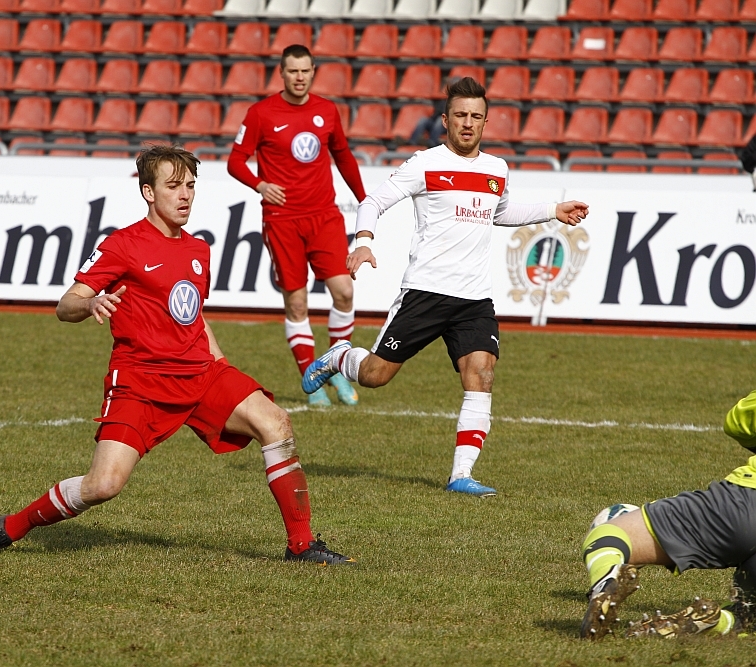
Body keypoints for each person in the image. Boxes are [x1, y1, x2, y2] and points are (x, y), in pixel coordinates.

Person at [0, 145, 354, 566]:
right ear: (148, 192)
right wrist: (91, 303)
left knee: (275, 422)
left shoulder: (199, 250)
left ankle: (301, 545)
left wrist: (221, 365)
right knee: (103, 485)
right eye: (173, 186)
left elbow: (193, 317)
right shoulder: (122, 244)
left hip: (200, 374)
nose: (185, 195)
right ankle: (13, 525)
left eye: (190, 186)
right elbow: (65, 304)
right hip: (141, 382)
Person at [301, 77, 589, 497]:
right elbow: (373, 202)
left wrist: (552, 210)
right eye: (460, 115)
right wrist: (363, 241)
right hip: (426, 291)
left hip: (474, 298)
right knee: (376, 376)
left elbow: (499, 212)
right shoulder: (424, 163)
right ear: (445, 120)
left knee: (482, 374)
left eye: (475, 116)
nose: (468, 123)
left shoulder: (497, 169)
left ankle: (461, 475)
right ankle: (341, 356)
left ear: (486, 122)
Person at [228, 44, 368, 408]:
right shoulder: (261, 113)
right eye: (293, 71)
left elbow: (344, 156)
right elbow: (235, 161)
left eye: (305, 70)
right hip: (282, 220)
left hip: (324, 216)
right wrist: (260, 184)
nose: (300, 77)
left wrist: (365, 199)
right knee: (297, 303)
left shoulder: (327, 110)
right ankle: (312, 378)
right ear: (282, 72)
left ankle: (334, 366)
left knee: (344, 292)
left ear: (313, 71)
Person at [579, 390, 756, 640]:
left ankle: (605, 581)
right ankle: (716, 622)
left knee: (610, 532)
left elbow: (738, 422)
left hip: (746, 503)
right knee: (749, 614)